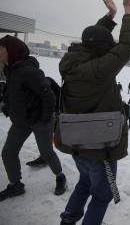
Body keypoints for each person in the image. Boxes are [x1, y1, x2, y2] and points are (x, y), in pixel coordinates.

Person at [56, 0, 130, 225]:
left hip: (78, 145)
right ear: (102, 49)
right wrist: (127, 12)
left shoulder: (72, 61)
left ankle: (68, 220)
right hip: (101, 150)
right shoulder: (100, 70)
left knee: (84, 183)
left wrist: (110, 16)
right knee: (103, 195)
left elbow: (91, 39)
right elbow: (128, 45)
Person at [0, 35, 67, 202]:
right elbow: (14, 93)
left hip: (40, 120)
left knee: (47, 152)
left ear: (11, 50)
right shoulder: (10, 70)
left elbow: (49, 96)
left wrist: (44, 119)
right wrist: (9, 107)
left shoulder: (28, 71)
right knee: (8, 153)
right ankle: (16, 185)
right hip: (22, 121)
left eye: (1, 48)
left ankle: (60, 177)